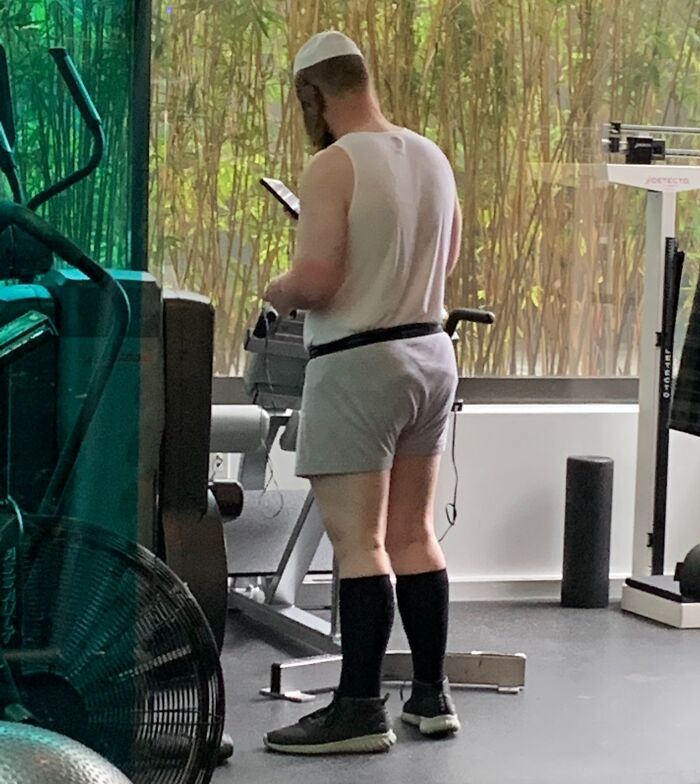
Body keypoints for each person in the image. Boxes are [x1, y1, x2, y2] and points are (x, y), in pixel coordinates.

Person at [262, 30, 462, 756]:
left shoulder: (332, 165)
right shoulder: (430, 156)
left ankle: (356, 708)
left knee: (360, 543)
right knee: (415, 533)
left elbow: (317, 280)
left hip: (359, 363)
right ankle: (432, 699)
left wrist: (275, 292)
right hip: (431, 355)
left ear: (313, 96)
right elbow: (448, 259)